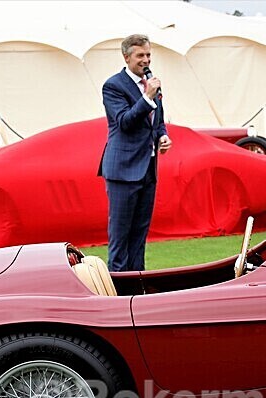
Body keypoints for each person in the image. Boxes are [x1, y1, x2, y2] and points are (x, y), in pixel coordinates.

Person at [99, 34, 172, 272]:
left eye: (148, 55)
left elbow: (156, 120)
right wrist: (147, 97)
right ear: (126, 57)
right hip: (123, 170)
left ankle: (138, 284)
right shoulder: (113, 86)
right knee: (121, 236)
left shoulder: (153, 84)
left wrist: (162, 135)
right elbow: (125, 122)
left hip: (148, 169)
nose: (146, 60)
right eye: (140, 55)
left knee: (139, 236)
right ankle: (118, 290)